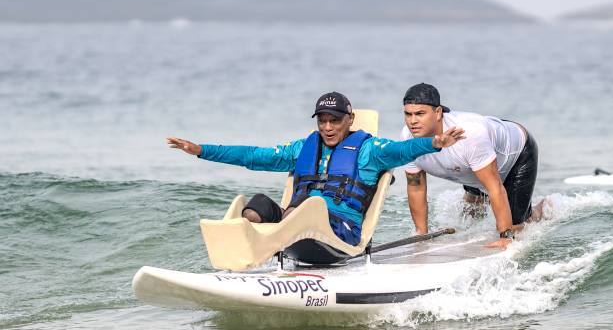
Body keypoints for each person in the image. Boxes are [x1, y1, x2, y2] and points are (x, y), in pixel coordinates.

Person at [167, 91, 465, 246]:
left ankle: (276, 243)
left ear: (350, 120)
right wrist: (201, 150)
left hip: (341, 232)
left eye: (335, 120)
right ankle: (245, 259)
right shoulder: (302, 149)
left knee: (311, 206)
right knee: (256, 206)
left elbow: (403, 150)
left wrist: (434, 144)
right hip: (295, 225)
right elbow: (253, 156)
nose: (328, 127)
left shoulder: (369, 150)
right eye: (322, 120)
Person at [400, 83, 541, 250]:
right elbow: (416, 187)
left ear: (438, 113)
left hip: (517, 153)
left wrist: (505, 236)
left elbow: (494, 187)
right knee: (470, 216)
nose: (413, 121)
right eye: (408, 114)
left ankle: (541, 210)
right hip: (476, 164)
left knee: (517, 229)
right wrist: (421, 234)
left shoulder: (469, 135)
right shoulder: (407, 138)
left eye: (420, 114)